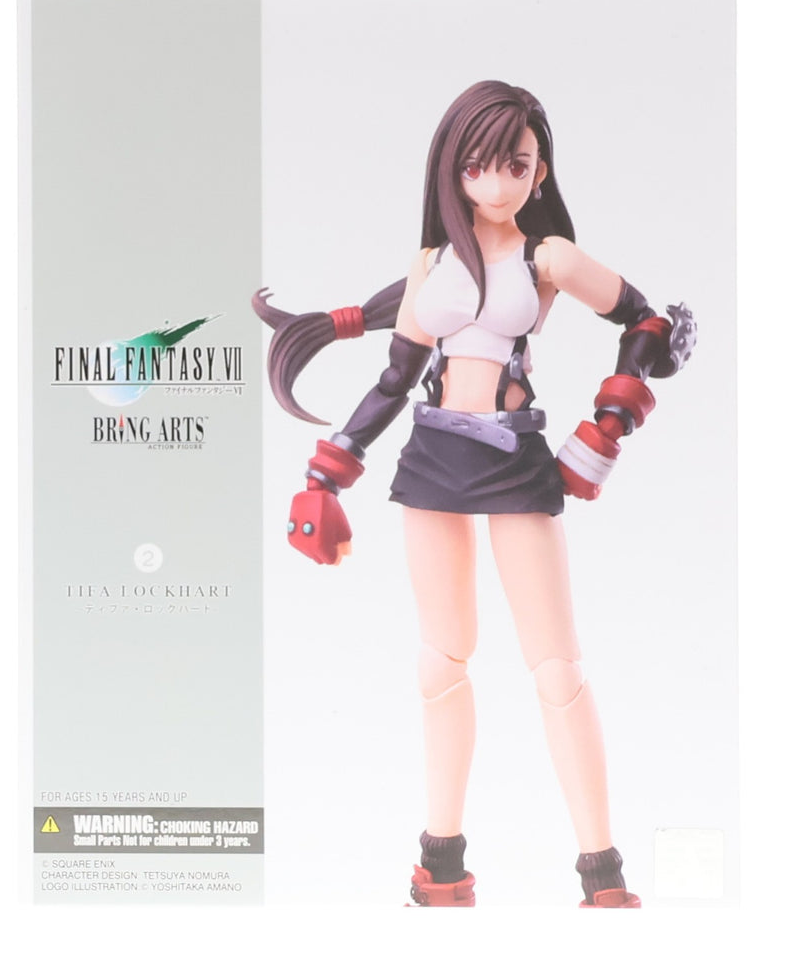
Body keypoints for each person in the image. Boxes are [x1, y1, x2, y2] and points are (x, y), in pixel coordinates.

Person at [253, 80, 695, 907]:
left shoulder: (547, 257)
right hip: (432, 459)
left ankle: (602, 872)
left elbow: (646, 324)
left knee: (556, 667)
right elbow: (395, 379)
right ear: (453, 170)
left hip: (515, 458)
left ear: (539, 169)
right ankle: (442, 864)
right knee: (441, 662)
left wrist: (612, 418)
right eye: (477, 166)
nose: (495, 183)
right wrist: (327, 471)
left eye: (515, 165)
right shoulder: (432, 265)